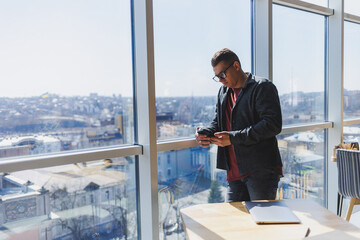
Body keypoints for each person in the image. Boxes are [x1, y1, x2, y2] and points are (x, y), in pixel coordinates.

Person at [195, 48, 283, 202]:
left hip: (261, 171)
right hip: (234, 172)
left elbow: (272, 125)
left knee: (263, 222)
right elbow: (218, 122)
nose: (221, 80)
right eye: (217, 77)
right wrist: (205, 132)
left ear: (236, 66)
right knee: (235, 223)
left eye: (222, 74)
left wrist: (233, 138)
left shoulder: (262, 87)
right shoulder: (223, 91)